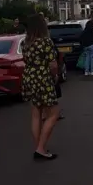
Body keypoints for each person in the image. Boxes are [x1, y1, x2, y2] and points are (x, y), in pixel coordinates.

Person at [21, 14, 61, 160]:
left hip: (29, 76)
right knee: (54, 113)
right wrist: (55, 76)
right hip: (43, 77)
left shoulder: (25, 43)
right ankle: (41, 148)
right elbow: (53, 64)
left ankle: (39, 146)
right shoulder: (45, 42)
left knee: (35, 113)